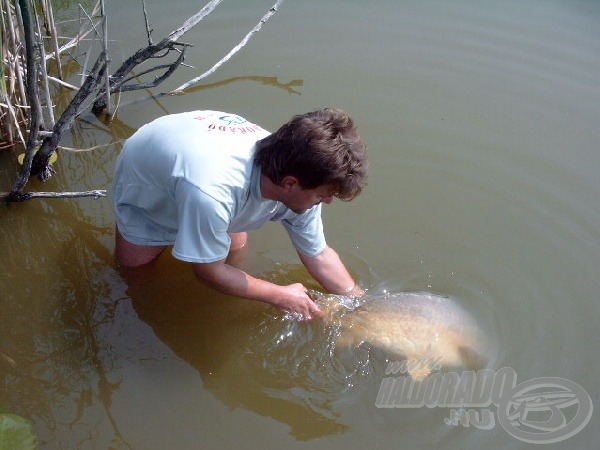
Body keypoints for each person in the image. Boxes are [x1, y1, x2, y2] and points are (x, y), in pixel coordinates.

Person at [112, 108, 368, 320]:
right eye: (322, 195)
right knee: (137, 275)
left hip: (204, 165)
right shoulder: (212, 194)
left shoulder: (304, 174)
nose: (328, 201)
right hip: (148, 177)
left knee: (234, 250)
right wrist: (278, 295)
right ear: (290, 183)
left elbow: (319, 254)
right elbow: (206, 272)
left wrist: (360, 305)